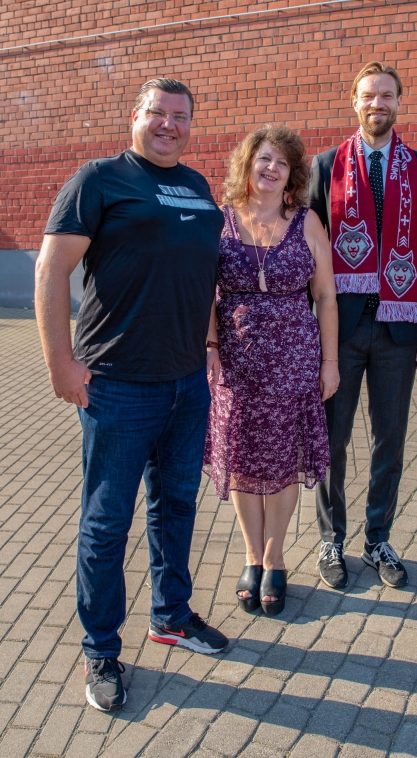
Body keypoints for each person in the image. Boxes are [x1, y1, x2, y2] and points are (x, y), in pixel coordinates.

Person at [35, 78, 228, 713]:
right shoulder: (100, 179)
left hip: (185, 384)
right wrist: (61, 361)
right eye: (159, 113)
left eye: (181, 116)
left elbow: (198, 273)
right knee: (107, 520)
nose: (170, 125)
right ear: (136, 116)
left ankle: (170, 615)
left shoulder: (199, 187)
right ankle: (100, 647)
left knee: (175, 507)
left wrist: (204, 346)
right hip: (117, 384)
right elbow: (52, 268)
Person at [310, 61, 417, 590]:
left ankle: (377, 538)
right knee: (332, 439)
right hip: (339, 329)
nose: (377, 104)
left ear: (398, 103)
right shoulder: (326, 166)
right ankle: (331, 539)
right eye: (369, 95)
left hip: (400, 327)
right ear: (354, 101)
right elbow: (310, 255)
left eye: (387, 95)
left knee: (390, 437)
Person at [204, 125, 339, 616]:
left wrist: (330, 362)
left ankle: (274, 558)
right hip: (238, 361)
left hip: (294, 359)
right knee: (242, 458)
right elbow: (206, 291)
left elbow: (325, 296)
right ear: (247, 164)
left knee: (282, 460)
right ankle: (249, 554)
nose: (271, 168)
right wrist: (211, 343)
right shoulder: (220, 221)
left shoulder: (307, 222)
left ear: (293, 174)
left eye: (281, 163)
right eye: (263, 159)